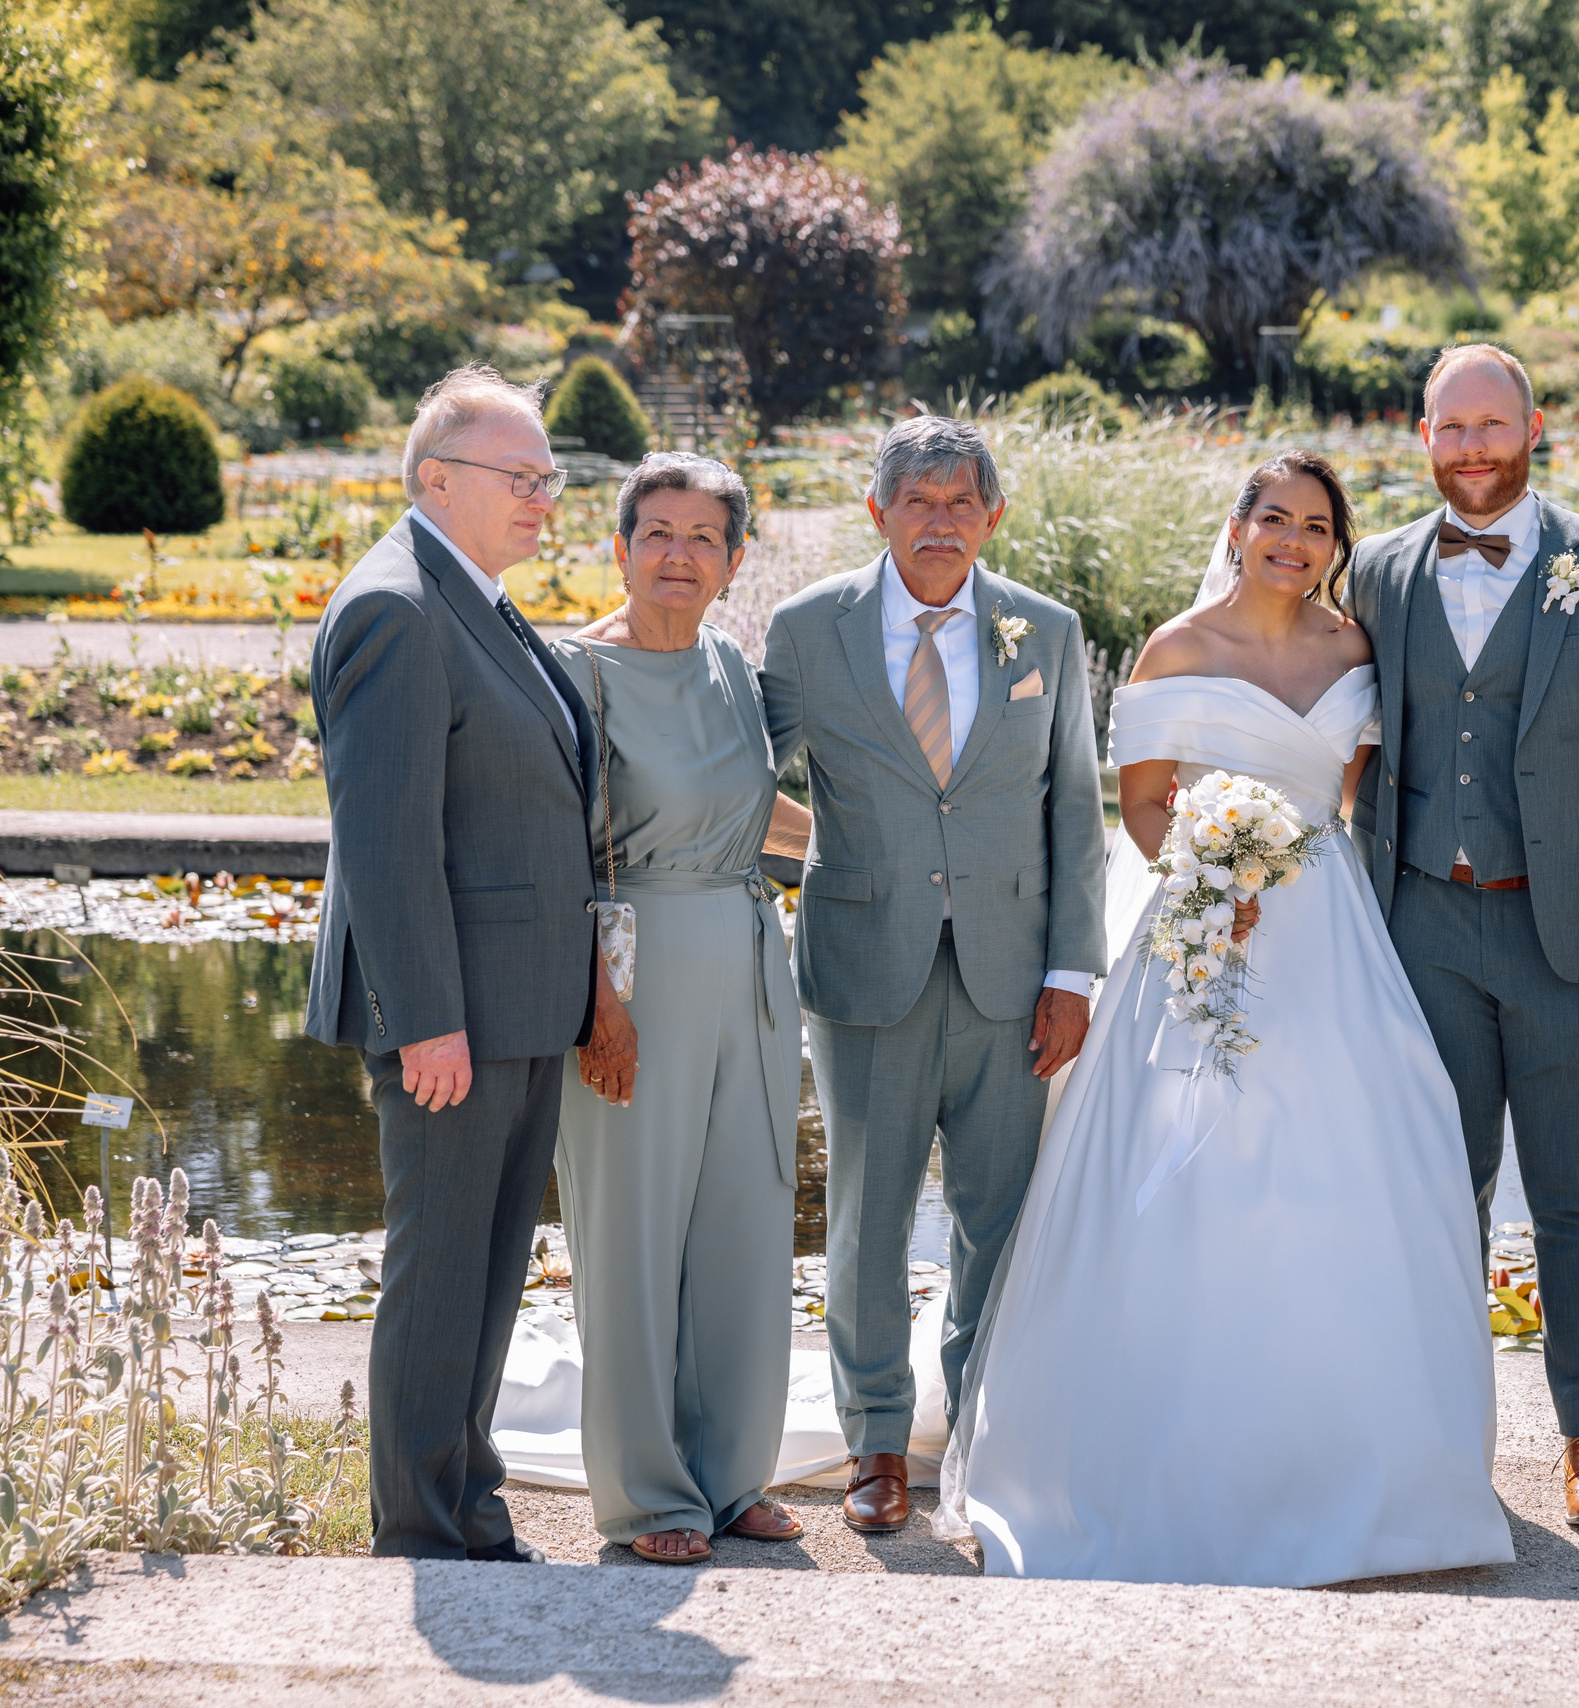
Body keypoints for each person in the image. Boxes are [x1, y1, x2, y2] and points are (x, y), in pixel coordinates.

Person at [935, 451, 1512, 1586]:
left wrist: (1286, 866)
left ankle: (1353, 1457)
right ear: (1238, 526)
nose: (1293, 541)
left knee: (1360, 1155)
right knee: (1185, 1160)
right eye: (1274, 519)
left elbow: (1345, 800)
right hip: (1204, 928)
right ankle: (1159, 1451)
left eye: (1316, 525)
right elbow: (1144, 804)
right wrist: (1209, 878)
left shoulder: (1355, 649)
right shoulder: (1176, 647)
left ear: (1335, 543)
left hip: (1330, 932)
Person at [1343, 345, 1579, 1527]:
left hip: (1569, 932)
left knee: (1573, 1193)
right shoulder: (1376, 571)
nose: (1473, 448)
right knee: (1437, 1189)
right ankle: (1439, 1432)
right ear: (1421, 436)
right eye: (1452, 427)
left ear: (1534, 428)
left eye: (1493, 424)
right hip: (1419, 925)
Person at [761, 417, 1110, 1537]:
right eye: (918, 500)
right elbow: (740, 780)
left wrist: (1073, 972)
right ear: (878, 512)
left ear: (993, 516)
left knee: (997, 1218)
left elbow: (1076, 808)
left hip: (1015, 975)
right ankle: (875, 1439)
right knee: (867, 1217)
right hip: (865, 966)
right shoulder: (807, 628)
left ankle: (980, 1430)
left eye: (963, 502)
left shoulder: (1044, 630)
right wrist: (830, 850)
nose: (941, 522)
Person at [304, 365, 598, 1563]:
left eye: (548, 477)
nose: (542, 497)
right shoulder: (397, 608)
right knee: (440, 1280)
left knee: (486, 1275)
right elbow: (384, 839)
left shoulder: (475, 596)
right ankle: (423, 1533)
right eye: (520, 476)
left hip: (517, 1005)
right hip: (453, 1016)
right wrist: (425, 1016)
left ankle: (468, 1505)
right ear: (436, 478)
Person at [549, 453, 812, 1564]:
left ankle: (730, 1473)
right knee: (634, 1234)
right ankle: (649, 1493)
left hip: (749, 967)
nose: (678, 555)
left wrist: (875, 850)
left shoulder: (731, 665)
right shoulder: (573, 674)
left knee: (745, 1222)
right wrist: (598, 1007)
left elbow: (751, 811)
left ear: (734, 561)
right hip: (631, 978)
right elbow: (553, 856)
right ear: (619, 548)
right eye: (657, 532)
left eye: (705, 537)